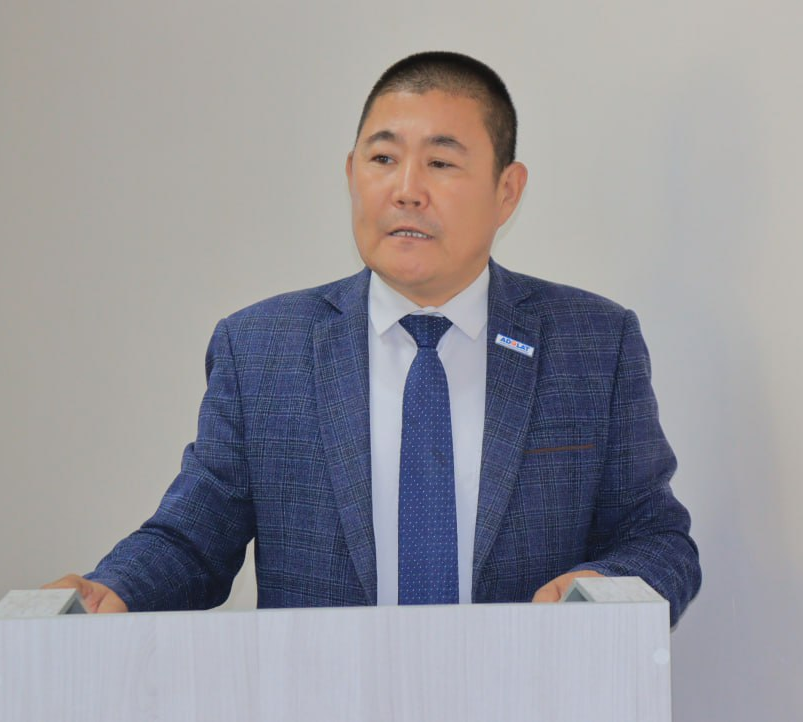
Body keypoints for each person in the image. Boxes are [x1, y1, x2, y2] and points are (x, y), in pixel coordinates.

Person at [45, 51, 701, 625]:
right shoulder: (262, 350)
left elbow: (658, 539)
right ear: (351, 172)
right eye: (383, 159)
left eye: (440, 162)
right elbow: (193, 541)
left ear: (507, 191)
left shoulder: (592, 345)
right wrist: (112, 589)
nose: (406, 190)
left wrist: (604, 590)